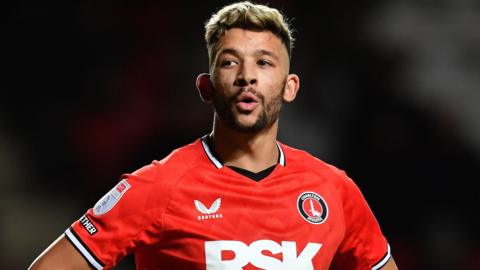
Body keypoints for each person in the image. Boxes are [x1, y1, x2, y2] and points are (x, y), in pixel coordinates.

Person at [29, 1, 398, 269]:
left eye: (264, 63)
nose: (247, 76)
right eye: (230, 61)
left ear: (290, 87)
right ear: (206, 86)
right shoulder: (159, 186)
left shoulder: (334, 190)